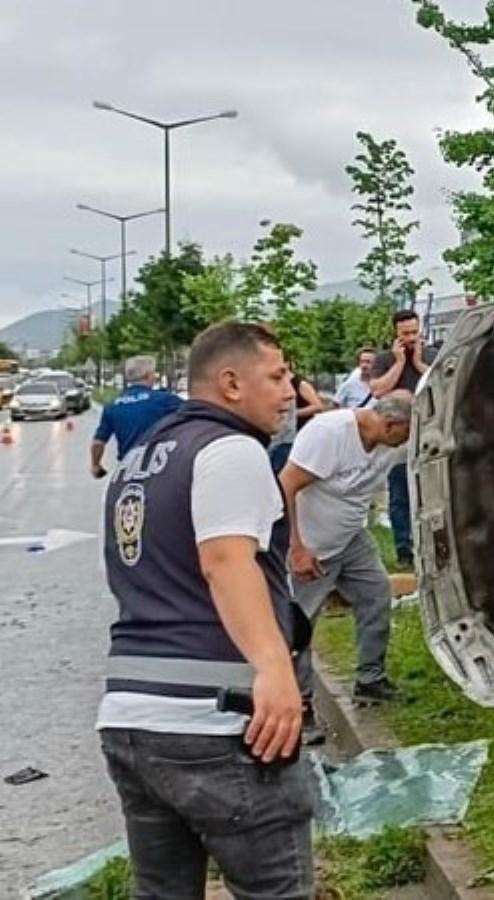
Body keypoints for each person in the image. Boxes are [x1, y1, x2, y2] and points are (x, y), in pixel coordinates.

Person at [97, 322, 313, 896]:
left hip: (130, 716)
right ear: (231, 382)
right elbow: (224, 560)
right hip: (216, 720)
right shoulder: (230, 450)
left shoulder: (142, 455)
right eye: (277, 375)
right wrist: (274, 667)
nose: (290, 389)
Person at [279, 395, 413, 736]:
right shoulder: (330, 434)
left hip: (351, 537)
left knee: (376, 594)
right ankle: (299, 709)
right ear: (389, 425)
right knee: (299, 627)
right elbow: (286, 484)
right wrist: (296, 547)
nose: (409, 440)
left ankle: (371, 681)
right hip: (311, 543)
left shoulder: (388, 441)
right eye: (406, 432)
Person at [369, 310, 436, 570]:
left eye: (413, 332)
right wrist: (399, 363)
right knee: (399, 494)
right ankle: (403, 548)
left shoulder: (431, 355)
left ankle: (429, 547)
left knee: (429, 492)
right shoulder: (384, 359)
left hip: (429, 430)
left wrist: (419, 363)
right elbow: (377, 389)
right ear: (395, 334)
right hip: (398, 435)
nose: (410, 338)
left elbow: (441, 381)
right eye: (404, 333)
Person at [90, 355, 182, 479]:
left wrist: (96, 465)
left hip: (128, 470)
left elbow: (98, 442)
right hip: (159, 468)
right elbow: (194, 415)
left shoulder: (112, 406)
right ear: (149, 375)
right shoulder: (165, 400)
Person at [268, 371, 324, 473]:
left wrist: (293, 414)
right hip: (284, 434)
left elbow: (318, 406)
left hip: (300, 432)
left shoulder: (300, 384)